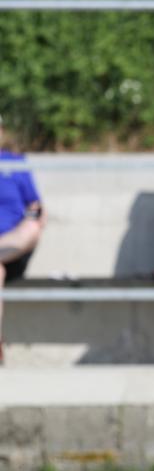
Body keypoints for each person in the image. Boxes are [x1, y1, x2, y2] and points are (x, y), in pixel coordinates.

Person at [0, 114, 44, 365]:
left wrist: (34, 221)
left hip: (13, 246)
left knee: (31, 227)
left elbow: (37, 209)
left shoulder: (15, 163)